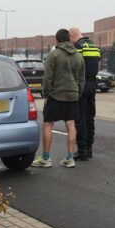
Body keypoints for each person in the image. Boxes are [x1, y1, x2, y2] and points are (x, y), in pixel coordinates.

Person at [32, 29, 84, 168]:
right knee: (71, 125)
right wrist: (78, 94)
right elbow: (81, 79)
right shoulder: (78, 56)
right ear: (69, 39)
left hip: (56, 95)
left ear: (57, 40)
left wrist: (46, 94)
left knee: (48, 124)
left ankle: (46, 158)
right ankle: (70, 158)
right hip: (73, 95)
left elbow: (48, 77)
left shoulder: (54, 54)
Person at [69, 27, 101, 161]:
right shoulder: (95, 46)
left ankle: (81, 151)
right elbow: (98, 66)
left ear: (72, 36)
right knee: (90, 116)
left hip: (81, 84)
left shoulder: (78, 46)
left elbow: (75, 66)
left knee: (80, 118)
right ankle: (89, 150)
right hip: (93, 84)